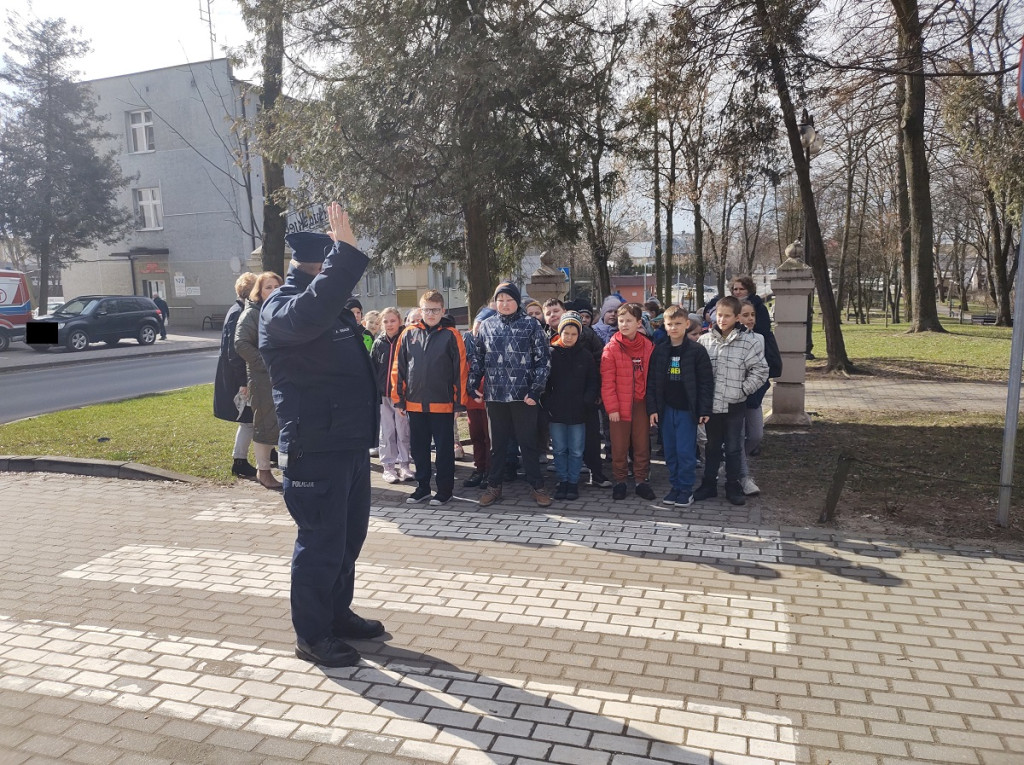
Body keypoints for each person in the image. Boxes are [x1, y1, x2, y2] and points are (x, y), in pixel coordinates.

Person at [259, 203, 385, 668]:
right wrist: (345, 255)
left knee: (348, 539)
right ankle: (312, 636)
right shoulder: (282, 308)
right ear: (315, 268)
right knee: (320, 544)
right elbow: (310, 311)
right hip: (316, 448)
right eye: (329, 267)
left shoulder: (325, 309)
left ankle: (336, 613)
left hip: (347, 444)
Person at [469, 281, 553, 508]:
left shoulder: (531, 325)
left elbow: (543, 361)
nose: (504, 304)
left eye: (509, 300)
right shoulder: (487, 326)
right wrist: (473, 384)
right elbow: (478, 359)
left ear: (517, 302)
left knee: (528, 444)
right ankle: (494, 486)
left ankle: (538, 487)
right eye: (500, 300)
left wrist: (535, 390)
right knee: (497, 446)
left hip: (524, 396)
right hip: (495, 396)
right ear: (495, 303)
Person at [391, 289, 469, 506]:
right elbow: (399, 368)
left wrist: (458, 403)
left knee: (444, 450)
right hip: (415, 404)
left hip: (443, 404)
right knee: (419, 449)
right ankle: (422, 487)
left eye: (435, 310)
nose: (431, 314)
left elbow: (460, 370)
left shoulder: (451, 335)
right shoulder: (408, 334)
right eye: (426, 310)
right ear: (420, 310)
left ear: (442, 310)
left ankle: (445, 490)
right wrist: (399, 398)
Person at [695, 295, 769, 506]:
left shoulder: (748, 343)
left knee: (734, 448)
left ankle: (732, 485)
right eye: (719, 315)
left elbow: (761, 371)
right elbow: (698, 371)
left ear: (737, 318)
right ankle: (708, 483)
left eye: (727, 316)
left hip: (735, 405)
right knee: (712, 447)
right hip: (711, 406)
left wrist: (742, 390)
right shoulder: (705, 340)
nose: (722, 320)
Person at [646, 305, 714, 507]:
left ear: (687, 324)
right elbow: (651, 383)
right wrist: (652, 410)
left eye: (678, 324)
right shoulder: (660, 350)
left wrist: (704, 409)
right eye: (670, 324)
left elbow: (705, 383)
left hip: (687, 411)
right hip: (666, 410)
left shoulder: (697, 351)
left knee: (685, 452)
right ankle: (675, 486)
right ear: (664, 326)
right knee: (671, 451)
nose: (674, 328)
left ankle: (685, 488)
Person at [601, 303, 656, 501]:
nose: (624, 324)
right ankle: (620, 481)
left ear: (638, 323)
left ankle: (641, 480)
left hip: (641, 404)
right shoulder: (611, 348)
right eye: (621, 321)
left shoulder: (648, 346)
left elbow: (652, 379)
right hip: (619, 405)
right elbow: (607, 382)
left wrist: (652, 407)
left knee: (641, 444)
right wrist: (612, 408)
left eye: (629, 321)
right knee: (619, 445)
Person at [235, 271, 283, 490]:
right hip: (262, 378)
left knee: (281, 423)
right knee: (264, 423)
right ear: (258, 291)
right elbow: (241, 343)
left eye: (276, 286)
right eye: (268, 287)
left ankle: (283, 466)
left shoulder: (279, 309)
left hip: (281, 376)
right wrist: (265, 363)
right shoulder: (251, 313)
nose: (273, 291)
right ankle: (263, 471)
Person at [545, 312, 598, 500]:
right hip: (556, 411)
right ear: (560, 333)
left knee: (576, 449)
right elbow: (544, 382)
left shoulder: (585, 356)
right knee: (559, 448)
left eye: (573, 334)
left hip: (578, 411)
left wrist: (587, 400)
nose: (569, 337)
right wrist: (549, 402)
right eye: (565, 333)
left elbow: (593, 382)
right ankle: (563, 480)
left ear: (579, 335)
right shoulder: (551, 353)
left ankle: (573, 482)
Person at [213, 272, 258, 478]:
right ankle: (239, 460)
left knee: (255, 418)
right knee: (248, 420)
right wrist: (243, 382)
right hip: (239, 377)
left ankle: (267, 452)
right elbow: (234, 352)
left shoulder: (238, 310)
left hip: (241, 375)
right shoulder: (238, 313)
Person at [736, 300, 782, 496]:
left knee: (756, 435)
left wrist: (753, 387)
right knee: (736, 437)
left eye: (752, 315)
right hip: (733, 397)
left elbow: (763, 369)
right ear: (736, 317)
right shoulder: (729, 339)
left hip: (752, 395)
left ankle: (734, 460)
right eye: (745, 315)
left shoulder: (760, 339)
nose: (750, 319)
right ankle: (744, 476)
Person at [370, 306, 414, 484]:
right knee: (387, 431)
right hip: (383, 395)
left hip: (401, 396)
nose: (389, 325)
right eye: (386, 321)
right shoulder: (378, 343)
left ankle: (404, 464)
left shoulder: (406, 340)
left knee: (403, 430)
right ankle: (388, 466)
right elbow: (372, 369)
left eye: (393, 321)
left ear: (400, 322)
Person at [462, 307, 493, 489]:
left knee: (489, 437)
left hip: (489, 398)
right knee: (476, 435)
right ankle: (479, 468)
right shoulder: (465, 341)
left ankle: (490, 471)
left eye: (483, 325)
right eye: (477, 324)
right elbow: (462, 368)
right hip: (472, 398)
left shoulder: (493, 343)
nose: (479, 329)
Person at [702, 274, 772, 336]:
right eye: (735, 289)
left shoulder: (758, 306)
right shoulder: (730, 304)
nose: (738, 292)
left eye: (742, 289)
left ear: (749, 290)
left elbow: (764, 329)